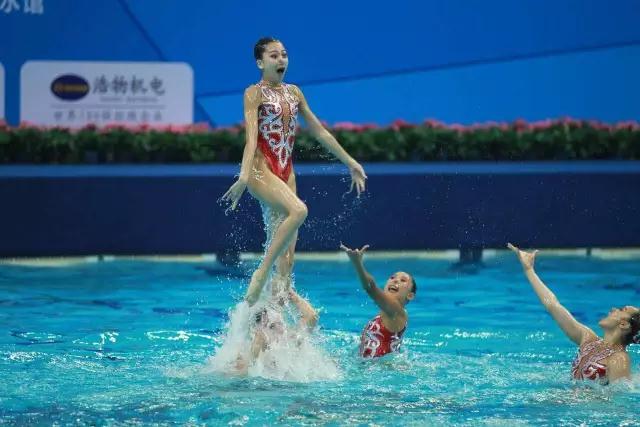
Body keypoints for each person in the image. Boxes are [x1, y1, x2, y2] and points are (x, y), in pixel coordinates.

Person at [221, 37, 367, 305]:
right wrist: (243, 176)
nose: (281, 60)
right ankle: (261, 275)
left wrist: (350, 161)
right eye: (274, 56)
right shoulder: (253, 93)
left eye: (284, 55)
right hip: (260, 168)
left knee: (287, 259)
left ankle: (269, 319)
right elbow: (251, 137)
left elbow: (319, 130)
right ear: (260, 62)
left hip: (287, 172)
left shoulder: (295, 92)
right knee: (298, 211)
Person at [508, 243, 640, 384]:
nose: (614, 309)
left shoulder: (619, 358)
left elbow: (618, 402)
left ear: (624, 324)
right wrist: (529, 270)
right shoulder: (588, 339)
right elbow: (553, 305)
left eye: (622, 310)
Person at [340, 244, 416, 358]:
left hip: (381, 371)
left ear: (410, 296)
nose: (395, 281)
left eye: (403, 280)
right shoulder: (384, 315)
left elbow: (370, 287)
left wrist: (358, 264)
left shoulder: (397, 312)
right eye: (392, 277)